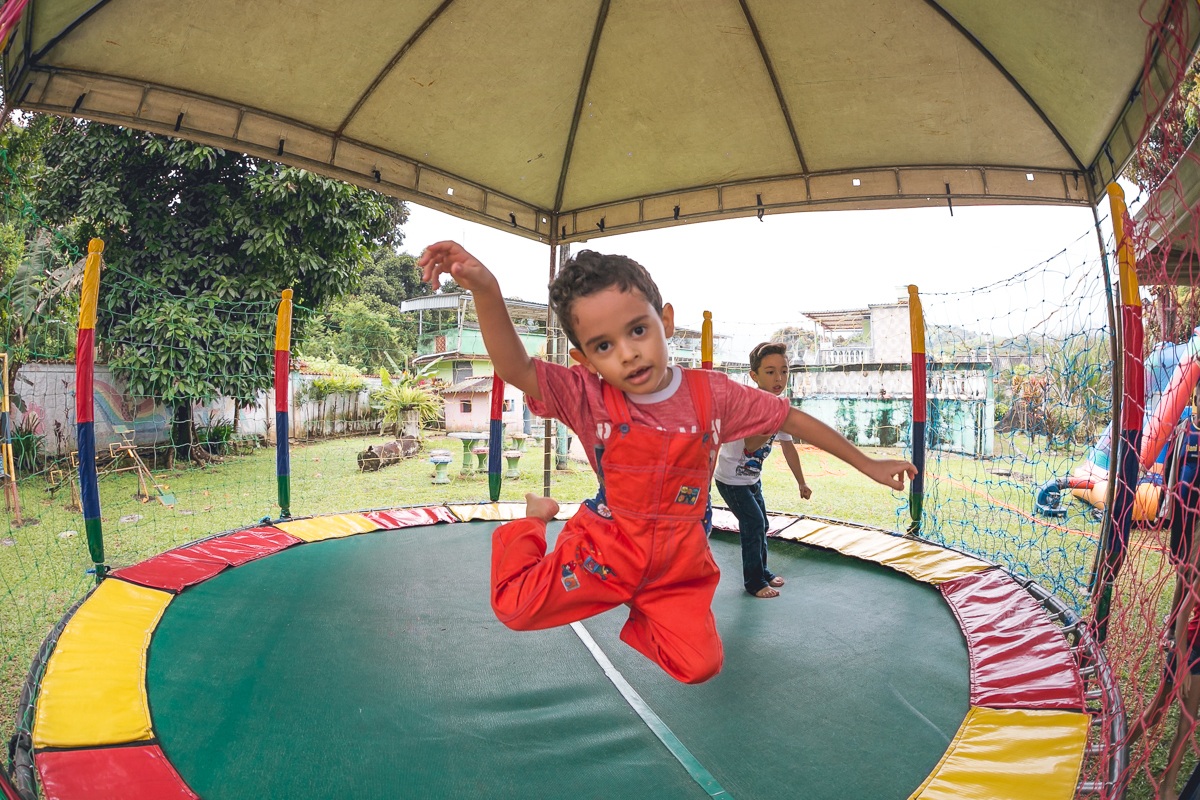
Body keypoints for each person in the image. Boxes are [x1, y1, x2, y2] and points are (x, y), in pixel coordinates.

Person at [418, 241, 917, 684]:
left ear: (667, 321)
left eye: (638, 330)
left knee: (700, 665)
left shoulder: (713, 395)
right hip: (606, 549)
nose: (628, 354)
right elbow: (516, 367)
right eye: (604, 346)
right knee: (514, 607)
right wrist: (486, 289)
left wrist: (868, 463)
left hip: (678, 559)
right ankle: (532, 521)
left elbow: (790, 418)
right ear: (585, 359)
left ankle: (645, 608)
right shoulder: (587, 396)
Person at [714, 342, 810, 598]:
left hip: (751, 479)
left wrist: (801, 481)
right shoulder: (750, 405)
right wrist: (775, 419)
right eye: (770, 372)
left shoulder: (779, 407)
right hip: (730, 480)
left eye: (784, 371)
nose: (779, 378)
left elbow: (788, 447)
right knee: (754, 524)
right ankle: (754, 582)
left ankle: (763, 571)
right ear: (754, 376)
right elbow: (750, 444)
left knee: (762, 523)